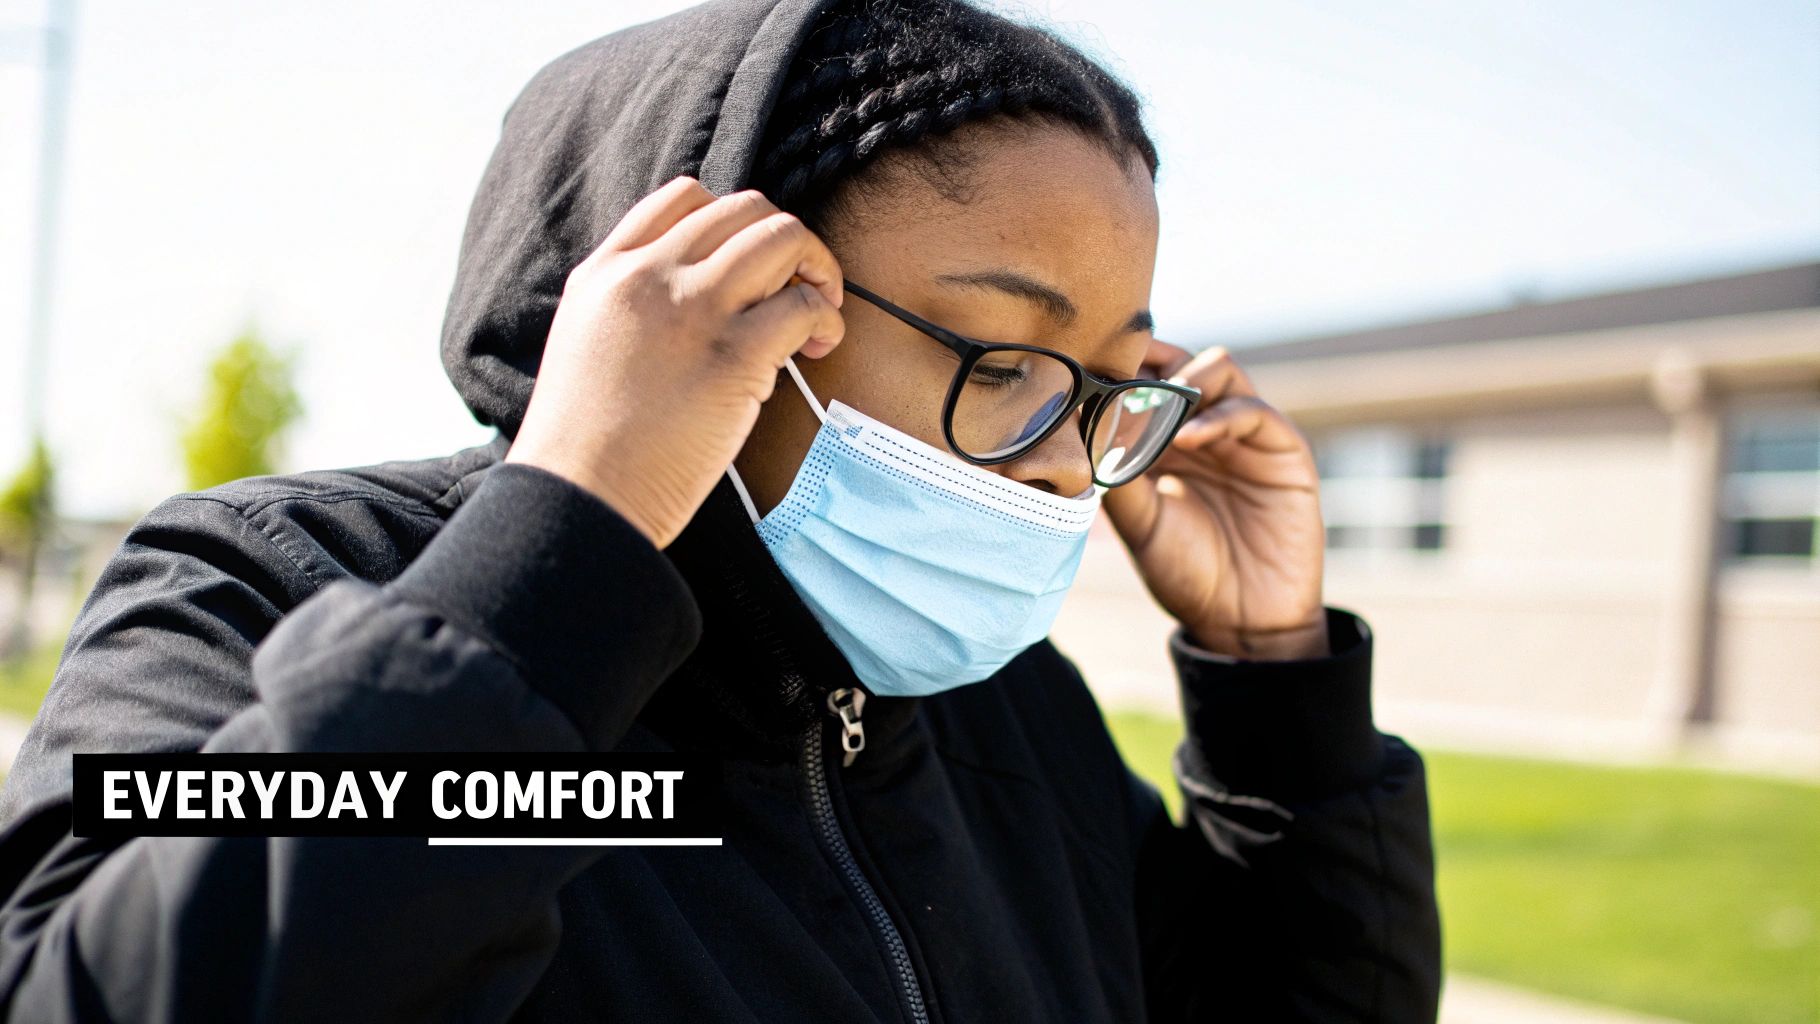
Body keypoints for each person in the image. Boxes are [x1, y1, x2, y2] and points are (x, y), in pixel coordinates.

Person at [0, 0, 1443, 1019]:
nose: (1070, 459)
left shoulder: (1014, 719)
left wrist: (1277, 691)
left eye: (1115, 382)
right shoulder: (273, 587)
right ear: (701, 297)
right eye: (1007, 362)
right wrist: (566, 543)